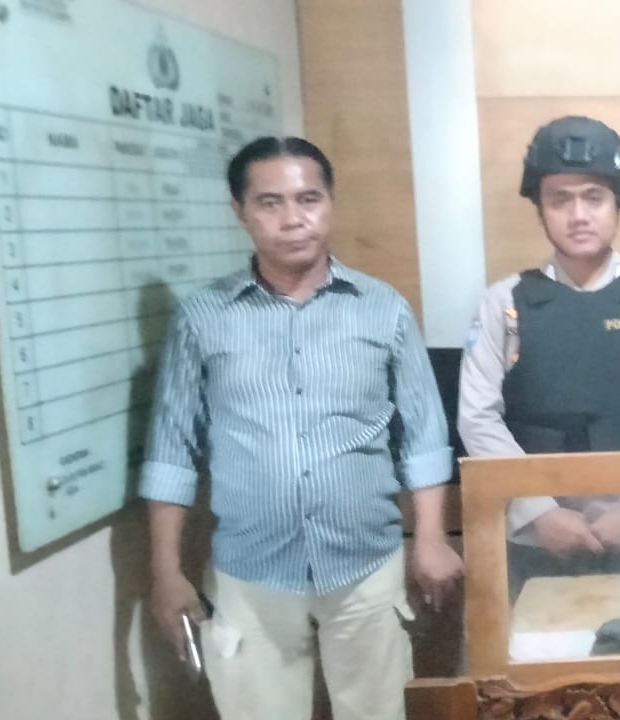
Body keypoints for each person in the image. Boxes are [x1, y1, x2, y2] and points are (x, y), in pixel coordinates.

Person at [141, 136, 461, 720]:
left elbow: (423, 434)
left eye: (308, 199)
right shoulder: (203, 318)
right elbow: (171, 451)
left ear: (330, 203)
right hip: (250, 572)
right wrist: (166, 571)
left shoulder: (382, 308)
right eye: (270, 203)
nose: (293, 219)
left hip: (366, 565)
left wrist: (432, 539)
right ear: (240, 211)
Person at [458, 116, 620, 594]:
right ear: (539, 209)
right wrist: (538, 512)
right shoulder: (503, 304)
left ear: (618, 202)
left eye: (594, 197)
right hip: (534, 544)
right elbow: (477, 418)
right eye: (560, 199)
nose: (578, 215)